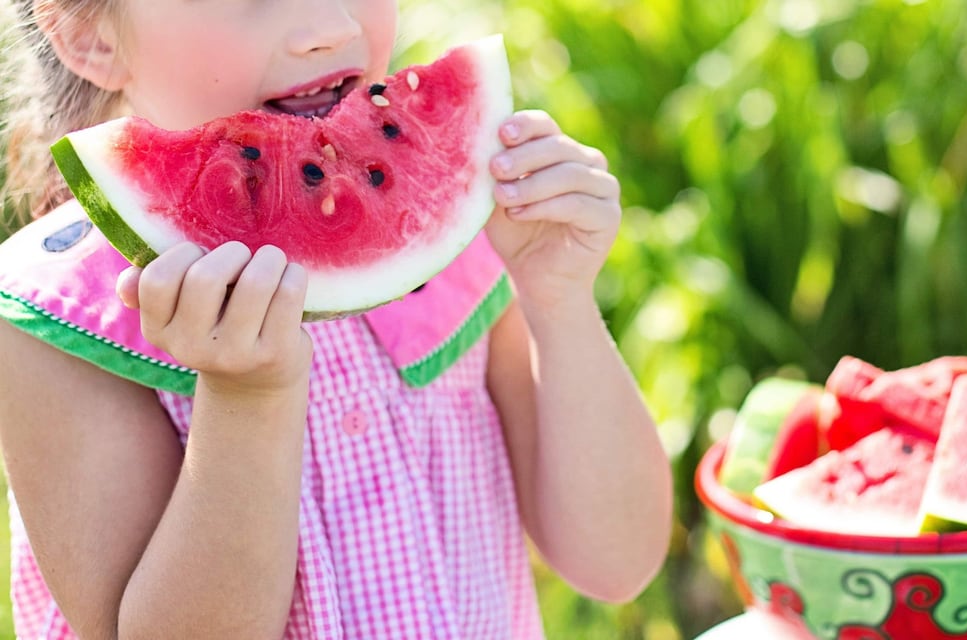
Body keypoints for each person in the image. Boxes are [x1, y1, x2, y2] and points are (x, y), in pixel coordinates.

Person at [0, 0, 673, 638]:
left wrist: (560, 300)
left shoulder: (464, 239)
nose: (326, 26)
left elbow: (616, 562)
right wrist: (245, 400)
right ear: (90, 37)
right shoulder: (60, 320)